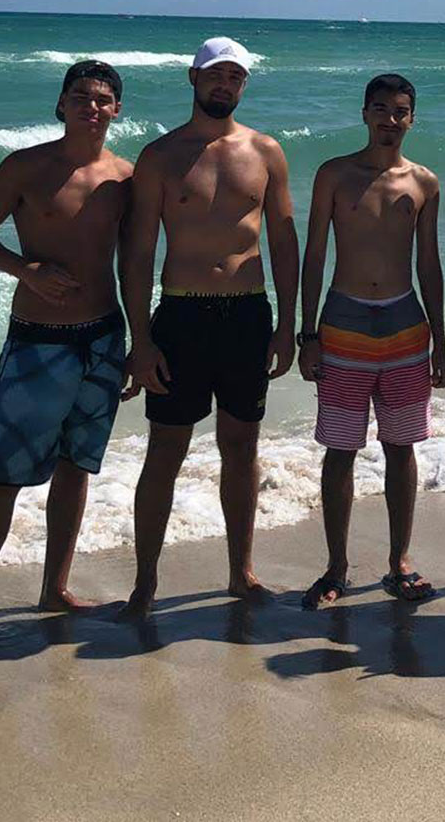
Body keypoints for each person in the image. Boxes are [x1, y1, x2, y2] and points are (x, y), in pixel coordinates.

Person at [0, 62, 135, 655]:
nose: (92, 106)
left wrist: (141, 340)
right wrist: (25, 269)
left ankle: (54, 589)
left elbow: (138, 262)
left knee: (76, 466)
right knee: (2, 478)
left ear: (117, 110)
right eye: (80, 97)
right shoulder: (25, 167)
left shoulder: (126, 178)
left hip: (103, 337)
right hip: (39, 340)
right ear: (61, 104)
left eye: (103, 99)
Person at [120, 37, 299, 617]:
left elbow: (283, 242)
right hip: (182, 314)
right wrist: (140, 338)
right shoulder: (160, 156)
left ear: (244, 85)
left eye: (235, 77)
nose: (225, 84)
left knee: (241, 447)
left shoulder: (266, 152)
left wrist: (288, 324)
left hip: (247, 314)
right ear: (193, 78)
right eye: (216, 74)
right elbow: (138, 253)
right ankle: (145, 582)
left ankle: (241, 572)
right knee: (165, 449)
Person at [295, 74, 445, 608]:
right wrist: (307, 333)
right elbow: (315, 254)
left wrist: (442, 340)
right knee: (340, 448)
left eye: (400, 111)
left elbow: (429, 264)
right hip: (345, 322)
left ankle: (399, 562)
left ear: (412, 118)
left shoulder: (424, 182)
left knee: (401, 446)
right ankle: (335, 567)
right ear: (364, 113)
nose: (390, 119)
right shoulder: (335, 175)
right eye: (380, 109)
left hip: (406, 325)